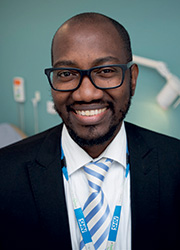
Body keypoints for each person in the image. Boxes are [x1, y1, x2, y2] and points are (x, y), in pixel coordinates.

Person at [0, 12, 180, 250]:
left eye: (105, 71)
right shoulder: (5, 173)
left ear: (132, 80)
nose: (86, 94)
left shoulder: (175, 164)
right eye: (66, 74)